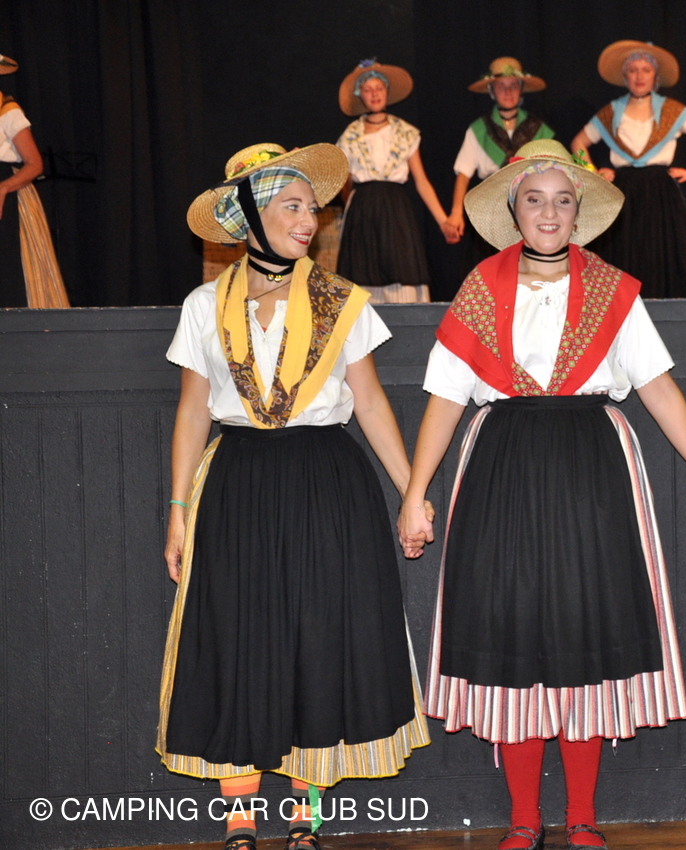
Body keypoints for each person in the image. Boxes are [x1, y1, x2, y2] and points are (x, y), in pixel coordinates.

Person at [396, 139, 686, 850]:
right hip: (502, 467)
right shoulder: (480, 288)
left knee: (586, 628)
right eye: (534, 199)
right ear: (513, 209)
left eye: (561, 200)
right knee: (511, 630)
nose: (548, 213)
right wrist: (415, 493)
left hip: (593, 470)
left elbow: (657, 387)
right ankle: (525, 817)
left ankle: (582, 817)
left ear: (579, 211)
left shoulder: (614, 290)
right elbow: (445, 398)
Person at [160, 142, 430, 850]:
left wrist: (413, 493)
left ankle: (307, 813)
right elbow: (192, 411)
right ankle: (240, 815)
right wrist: (178, 512)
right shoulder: (203, 305)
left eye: (312, 208)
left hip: (324, 478)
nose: (309, 220)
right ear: (248, 217)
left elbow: (370, 401)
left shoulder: (341, 300)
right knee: (236, 632)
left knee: (319, 633)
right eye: (291, 206)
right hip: (237, 480)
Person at [569, 40, 686, 298]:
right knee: (626, 249)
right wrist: (593, 172)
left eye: (646, 70)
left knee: (662, 249)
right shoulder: (612, 112)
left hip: (661, 193)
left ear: (655, 76)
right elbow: (578, 143)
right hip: (624, 191)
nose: (639, 76)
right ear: (625, 76)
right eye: (633, 70)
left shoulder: (672, 110)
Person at [336, 59, 448, 303]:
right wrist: (351, 210)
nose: (374, 94)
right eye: (368, 89)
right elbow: (345, 182)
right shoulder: (350, 136)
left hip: (396, 211)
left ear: (387, 91)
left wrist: (443, 221)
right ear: (360, 95)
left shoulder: (405, 132)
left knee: (401, 269)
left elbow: (421, 181)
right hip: (363, 211)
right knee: (363, 270)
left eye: (379, 88)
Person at [447, 57, 555, 269]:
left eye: (513, 85)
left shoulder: (538, 128)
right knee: (493, 270)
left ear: (521, 89)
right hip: (491, 211)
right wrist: (456, 213)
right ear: (491, 91)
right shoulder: (479, 129)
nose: (508, 92)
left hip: (530, 208)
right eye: (501, 86)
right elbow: (463, 174)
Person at [0, 52, 70, 308]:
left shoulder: (8, 111)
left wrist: (4, 187)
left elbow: (35, 163)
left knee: (10, 275)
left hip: (9, 198)